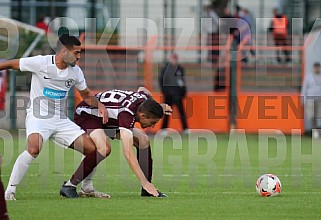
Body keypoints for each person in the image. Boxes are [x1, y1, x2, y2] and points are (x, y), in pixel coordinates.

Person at [0, 34, 109, 200]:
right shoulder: (41, 63)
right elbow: (12, 64)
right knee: (33, 149)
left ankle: (86, 187)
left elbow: (86, 94)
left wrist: (100, 105)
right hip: (38, 117)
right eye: (76, 53)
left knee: (93, 150)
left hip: (61, 120)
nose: (79, 57)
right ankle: (10, 191)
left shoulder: (75, 71)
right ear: (64, 51)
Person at [73, 87, 172, 197]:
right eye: (153, 122)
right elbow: (128, 152)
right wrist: (142, 181)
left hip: (106, 118)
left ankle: (147, 190)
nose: (153, 126)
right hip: (87, 115)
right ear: (143, 115)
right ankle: (71, 185)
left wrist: (156, 107)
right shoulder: (126, 114)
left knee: (143, 140)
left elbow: (143, 89)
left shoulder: (143, 100)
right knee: (103, 148)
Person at [159, 53, 188, 134]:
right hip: (169, 95)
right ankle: (163, 129)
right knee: (167, 113)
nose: (174, 61)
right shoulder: (165, 69)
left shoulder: (180, 69)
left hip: (178, 95)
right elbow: (162, 81)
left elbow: (182, 81)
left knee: (181, 112)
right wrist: (166, 92)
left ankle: (185, 129)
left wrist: (183, 92)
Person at [301, 62, 321, 138]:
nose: (317, 69)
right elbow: (304, 89)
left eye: (318, 68)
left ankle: (316, 131)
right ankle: (315, 132)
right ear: (313, 68)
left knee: (317, 116)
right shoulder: (308, 77)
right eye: (315, 68)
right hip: (310, 100)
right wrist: (303, 99)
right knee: (312, 116)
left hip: (319, 99)